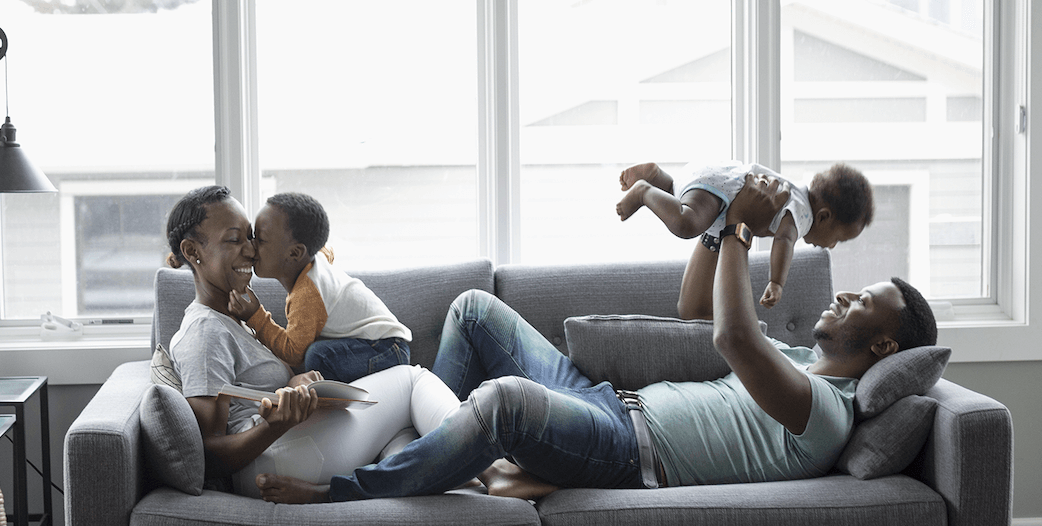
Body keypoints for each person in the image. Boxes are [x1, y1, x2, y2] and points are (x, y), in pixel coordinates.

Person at [255, 174, 938, 504]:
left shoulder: (824, 408)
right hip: (609, 403)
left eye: (863, 302)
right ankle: (450, 456)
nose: (845, 294)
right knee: (472, 309)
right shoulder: (794, 360)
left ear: (882, 346)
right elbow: (696, 306)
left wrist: (739, 232)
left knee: (505, 403)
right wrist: (716, 224)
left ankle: (349, 490)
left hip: (627, 450)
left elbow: (731, 337)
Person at [163, 185, 461, 498]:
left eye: (251, 237)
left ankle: (456, 476)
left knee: (403, 433)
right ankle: (490, 465)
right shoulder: (204, 331)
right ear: (193, 252)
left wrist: (294, 380)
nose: (251, 250)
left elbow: (250, 392)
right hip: (272, 458)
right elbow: (210, 454)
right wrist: (274, 425)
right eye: (235, 239)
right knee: (412, 380)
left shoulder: (232, 319)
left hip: (289, 449)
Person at [616, 161, 874, 318]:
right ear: (824, 216)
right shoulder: (801, 215)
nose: (831, 246)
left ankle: (658, 178)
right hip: (723, 189)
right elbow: (784, 240)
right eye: (838, 239)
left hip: (717, 179)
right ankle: (643, 191)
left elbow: (690, 311)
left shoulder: (793, 193)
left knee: (682, 204)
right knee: (685, 223)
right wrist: (776, 282)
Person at [226, 192, 411, 383]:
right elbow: (326, 251)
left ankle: (327, 406)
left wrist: (255, 317)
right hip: (382, 346)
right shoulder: (315, 258)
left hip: (386, 351)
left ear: (296, 253)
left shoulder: (307, 294)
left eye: (261, 240)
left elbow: (293, 353)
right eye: (253, 236)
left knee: (318, 355)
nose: (251, 246)